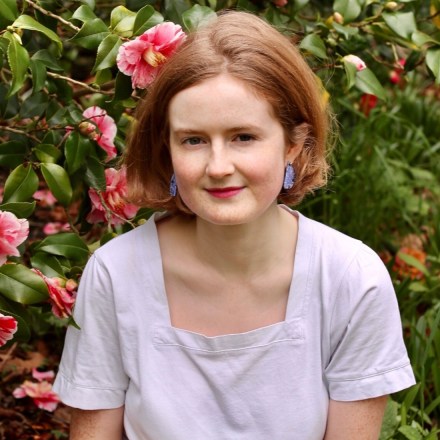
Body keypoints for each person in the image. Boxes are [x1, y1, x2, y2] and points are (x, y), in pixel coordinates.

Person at [53, 10, 416, 440]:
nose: (218, 167)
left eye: (243, 137)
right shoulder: (116, 274)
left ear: (294, 144)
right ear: (167, 149)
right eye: (193, 140)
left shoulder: (351, 279)